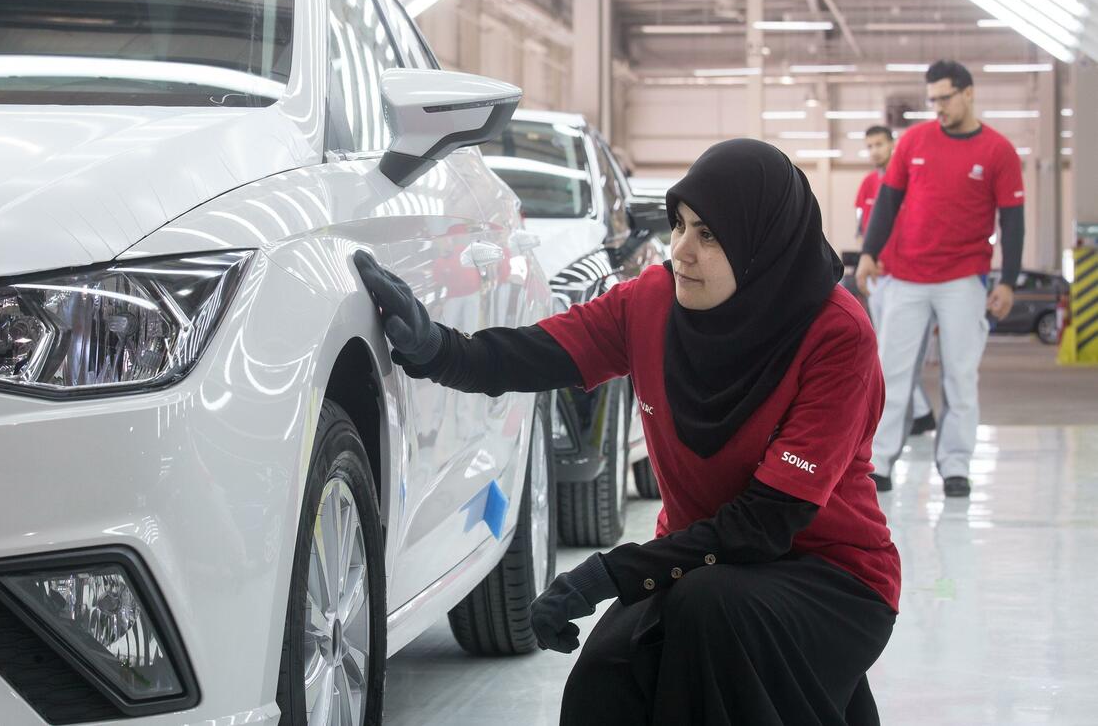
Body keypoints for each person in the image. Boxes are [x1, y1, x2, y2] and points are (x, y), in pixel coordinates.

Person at [356, 139, 900, 725]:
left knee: (710, 612)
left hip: (831, 576)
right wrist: (437, 349)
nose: (682, 251)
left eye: (710, 236)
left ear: (761, 247)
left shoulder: (837, 335)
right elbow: (539, 353)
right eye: (679, 225)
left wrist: (607, 573)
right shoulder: (652, 303)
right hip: (702, 563)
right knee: (605, 680)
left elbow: (768, 522)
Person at [855, 60, 1024, 497]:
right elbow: (887, 202)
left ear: (968, 93)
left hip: (964, 279)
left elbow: (1013, 220)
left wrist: (1007, 281)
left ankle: (955, 466)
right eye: (932, 100)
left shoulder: (998, 151)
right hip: (907, 278)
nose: (938, 108)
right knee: (891, 372)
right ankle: (881, 462)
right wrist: (870, 253)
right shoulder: (913, 141)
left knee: (960, 375)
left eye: (945, 98)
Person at [856, 124, 936, 436]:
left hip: (907, 277)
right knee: (887, 352)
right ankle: (921, 413)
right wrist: (867, 256)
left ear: (893, 146)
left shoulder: (911, 183)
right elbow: (864, 227)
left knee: (896, 353)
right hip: (878, 277)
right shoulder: (866, 185)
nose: (875, 150)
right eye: (870, 145)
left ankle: (918, 413)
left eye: (880, 144)